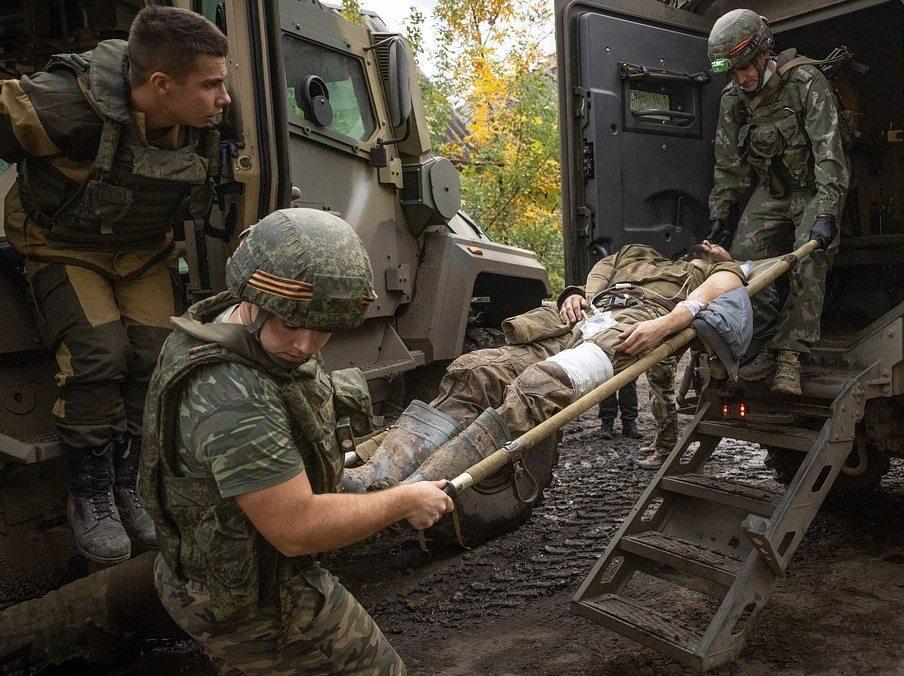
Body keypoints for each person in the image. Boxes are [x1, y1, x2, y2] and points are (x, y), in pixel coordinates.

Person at [140, 208, 451, 674]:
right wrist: (404, 501)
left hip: (229, 562)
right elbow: (296, 529)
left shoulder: (242, 322)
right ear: (253, 297)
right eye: (291, 325)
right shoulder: (232, 393)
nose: (305, 345)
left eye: (321, 327)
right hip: (249, 599)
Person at [0, 6, 230, 563]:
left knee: (154, 356)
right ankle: (91, 493)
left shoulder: (208, 113)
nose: (224, 98)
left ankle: (129, 485)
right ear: (160, 84)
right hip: (60, 243)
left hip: (141, 252)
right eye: (211, 85)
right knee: (99, 354)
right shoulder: (65, 103)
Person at [344, 242, 747, 492]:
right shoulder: (635, 252)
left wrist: (667, 323)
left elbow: (725, 286)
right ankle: (375, 475)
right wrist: (575, 295)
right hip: (581, 320)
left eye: (720, 247)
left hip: (632, 327)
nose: (711, 243)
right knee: (475, 370)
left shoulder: (706, 273)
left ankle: (411, 490)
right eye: (707, 242)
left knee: (539, 385)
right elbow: (597, 277)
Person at [705, 9, 849, 397]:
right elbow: (728, 164)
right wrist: (720, 214)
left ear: (762, 54)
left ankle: (789, 353)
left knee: (810, 257)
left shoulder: (805, 83)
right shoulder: (734, 98)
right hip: (772, 192)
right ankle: (763, 340)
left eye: (745, 69)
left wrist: (827, 213)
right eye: (732, 73)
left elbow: (829, 154)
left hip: (813, 189)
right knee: (741, 260)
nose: (741, 79)